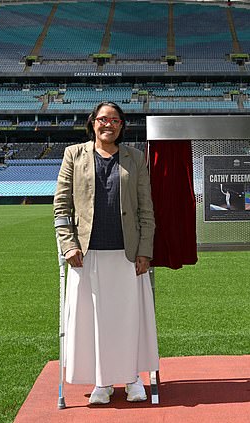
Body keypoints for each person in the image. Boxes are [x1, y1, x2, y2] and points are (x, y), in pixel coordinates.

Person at [53, 101, 159, 405]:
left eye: (114, 120)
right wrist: (68, 243)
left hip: (127, 253)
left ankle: (131, 379)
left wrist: (145, 251)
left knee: (128, 319)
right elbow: (61, 206)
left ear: (122, 125)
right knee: (93, 320)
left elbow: (145, 209)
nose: (108, 125)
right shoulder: (73, 154)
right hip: (87, 253)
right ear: (93, 123)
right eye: (102, 119)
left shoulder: (135, 158)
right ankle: (101, 382)